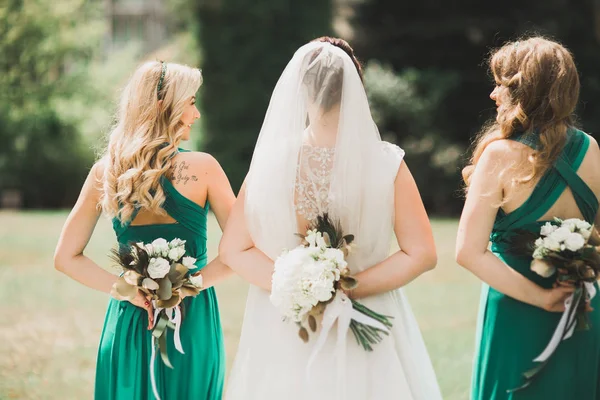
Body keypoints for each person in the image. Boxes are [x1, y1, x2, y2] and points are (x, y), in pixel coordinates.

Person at [220, 37, 442, 400]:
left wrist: (297, 290)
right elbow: (423, 253)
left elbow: (232, 249)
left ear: (299, 88)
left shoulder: (270, 162)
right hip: (366, 314)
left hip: (286, 322)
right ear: (357, 87)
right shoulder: (386, 163)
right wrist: (344, 288)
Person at [54, 61, 235, 399]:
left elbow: (66, 258)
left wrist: (129, 291)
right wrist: (187, 288)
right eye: (191, 102)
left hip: (131, 317)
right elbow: (240, 251)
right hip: (192, 322)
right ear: (166, 105)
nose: (195, 114)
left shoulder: (107, 171)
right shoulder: (205, 168)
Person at [456, 37, 600, 399]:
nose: (493, 94)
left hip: (516, 311)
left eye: (502, 84)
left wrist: (542, 298)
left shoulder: (499, 155)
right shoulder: (591, 148)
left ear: (524, 90)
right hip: (582, 308)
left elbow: (468, 252)